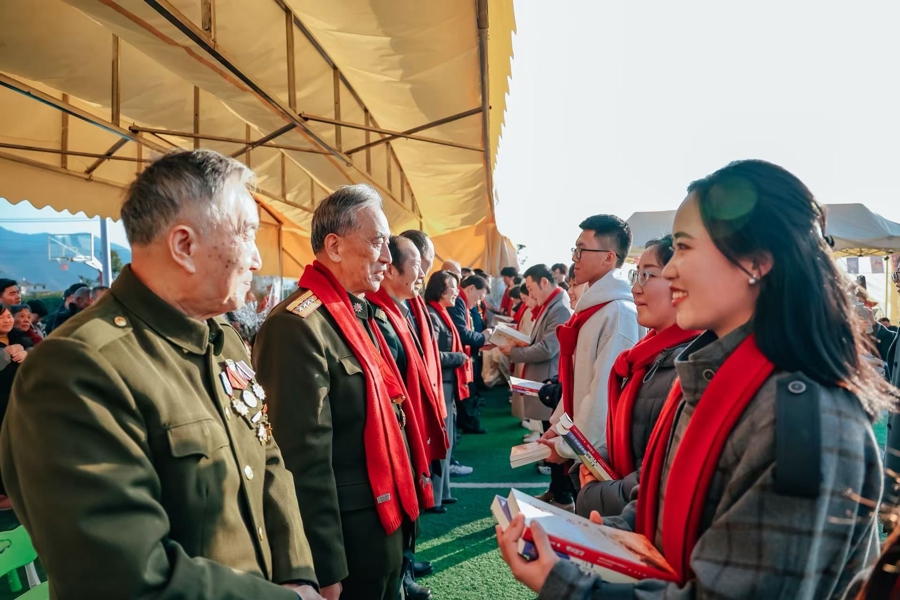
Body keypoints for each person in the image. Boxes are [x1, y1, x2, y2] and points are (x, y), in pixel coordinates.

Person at [499, 159, 890, 599]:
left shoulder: (804, 419)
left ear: (756, 261)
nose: (668, 271)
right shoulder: (713, 376)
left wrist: (569, 587)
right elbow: (663, 495)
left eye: (684, 248)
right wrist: (607, 533)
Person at [0, 149, 321, 599]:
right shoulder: (76, 368)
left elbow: (267, 461)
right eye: (247, 234)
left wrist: (297, 572)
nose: (255, 259)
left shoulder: (223, 341)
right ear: (184, 246)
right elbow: (121, 573)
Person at [255, 185, 426, 600]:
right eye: (377, 242)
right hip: (350, 544)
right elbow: (302, 461)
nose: (387, 258)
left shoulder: (357, 313)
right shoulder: (297, 325)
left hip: (384, 524)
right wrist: (322, 565)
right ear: (334, 246)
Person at [576, 236, 700, 518]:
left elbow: (659, 476)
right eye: (636, 275)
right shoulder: (645, 358)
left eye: (648, 275)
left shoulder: (688, 369)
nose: (635, 288)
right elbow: (631, 437)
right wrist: (597, 461)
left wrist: (596, 494)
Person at [539, 215, 639, 497]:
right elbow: (579, 382)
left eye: (581, 250)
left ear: (609, 257)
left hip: (602, 451)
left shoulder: (618, 312)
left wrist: (567, 445)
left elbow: (602, 394)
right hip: (586, 445)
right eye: (575, 249)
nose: (575, 258)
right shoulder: (595, 310)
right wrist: (558, 427)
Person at [369, 236, 442, 600]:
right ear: (391, 271)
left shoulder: (397, 310)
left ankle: (406, 567)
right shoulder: (379, 315)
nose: (423, 274)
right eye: (415, 266)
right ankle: (403, 573)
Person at [500, 264, 573, 509]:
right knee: (548, 438)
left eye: (531, 289)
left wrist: (514, 352)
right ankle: (556, 490)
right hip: (547, 384)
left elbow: (548, 348)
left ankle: (563, 496)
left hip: (551, 385)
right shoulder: (552, 305)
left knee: (554, 440)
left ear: (544, 283)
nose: (530, 295)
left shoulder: (560, 307)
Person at [425, 270, 472, 510]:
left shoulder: (440, 313)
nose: (456, 292)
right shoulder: (433, 315)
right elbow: (431, 355)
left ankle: (442, 493)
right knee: (442, 441)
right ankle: (434, 497)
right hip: (441, 387)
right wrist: (458, 357)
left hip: (448, 386)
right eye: (453, 287)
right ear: (440, 290)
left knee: (449, 441)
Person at [450, 274, 492, 434]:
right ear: (471, 288)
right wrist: (483, 337)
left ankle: (468, 423)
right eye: (479, 297)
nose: (479, 302)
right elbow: (462, 333)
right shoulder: (458, 301)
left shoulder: (461, 301)